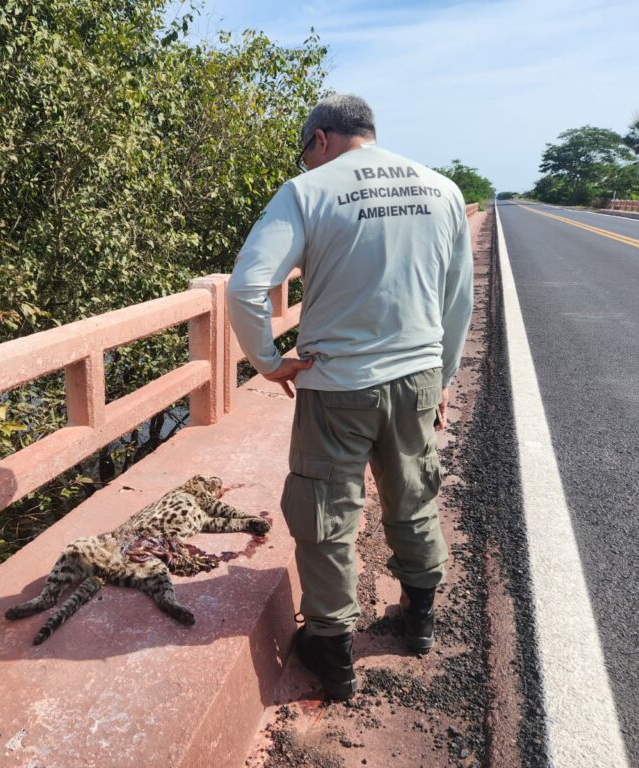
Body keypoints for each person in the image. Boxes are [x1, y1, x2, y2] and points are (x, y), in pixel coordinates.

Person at [225, 94, 473, 700]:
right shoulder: (441, 190)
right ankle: (419, 621)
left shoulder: (307, 191)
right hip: (416, 379)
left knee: (326, 514)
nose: (306, 160)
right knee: (413, 494)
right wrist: (441, 378)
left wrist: (266, 361)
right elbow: (457, 299)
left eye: (305, 150)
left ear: (321, 139)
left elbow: (245, 289)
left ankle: (333, 654)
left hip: (336, 385)